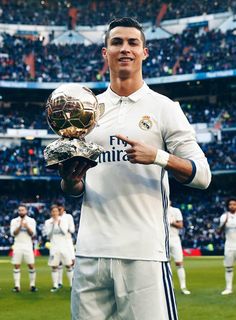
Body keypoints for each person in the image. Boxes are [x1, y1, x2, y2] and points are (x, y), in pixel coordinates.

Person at [59, 17, 211, 320]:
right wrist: (70, 179)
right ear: (105, 53)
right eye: (116, 42)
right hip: (90, 254)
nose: (124, 48)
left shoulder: (165, 108)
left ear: (145, 52)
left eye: (132, 43)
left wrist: (158, 156)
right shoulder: (85, 112)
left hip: (143, 255)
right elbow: (74, 190)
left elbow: (203, 175)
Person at [44, 205, 74, 292]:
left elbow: (65, 232)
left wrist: (59, 224)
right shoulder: (48, 222)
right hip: (54, 247)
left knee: (68, 265)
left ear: (58, 212)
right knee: (54, 266)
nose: (55, 213)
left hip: (64, 246)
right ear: (51, 213)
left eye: (56, 211)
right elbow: (48, 235)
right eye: (53, 211)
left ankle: (72, 285)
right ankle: (55, 285)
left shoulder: (63, 220)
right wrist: (53, 225)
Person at [10, 204, 37, 292]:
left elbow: (32, 234)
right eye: (20, 210)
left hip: (28, 245)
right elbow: (13, 233)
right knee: (16, 265)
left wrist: (26, 226)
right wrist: (20, 226)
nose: (21, 212)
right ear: (18, 211)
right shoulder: (14, 221)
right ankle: (17, 286)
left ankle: (32, 285)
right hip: (17, 245)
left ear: (26, 211)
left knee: (31, 265)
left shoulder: (31, 221)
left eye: (23, 210)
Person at [168, 204, 190, 295]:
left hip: (174, 239)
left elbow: (180, 225)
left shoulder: (175, 210)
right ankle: (169, 288)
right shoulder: (158, 209)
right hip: (162, 240)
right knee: (165, 265)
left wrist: (171, 222)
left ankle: (183, 287)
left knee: (179, 263)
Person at [218, 197, 236, 295]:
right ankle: (228, 288)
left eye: (234, 204)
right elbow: (218, 232)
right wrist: (224, 223)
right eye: (230, 204)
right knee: (229, 267)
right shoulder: (224, 216)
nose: (232, 206)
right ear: (228, 206)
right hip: (229, 245)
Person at [56, 199, 75, 289]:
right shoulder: (54, 217)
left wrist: (63, 227)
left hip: (67, 241)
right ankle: (59, 283)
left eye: (60, 209)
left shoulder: (68, 217)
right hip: (58, 242)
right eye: (58, 209)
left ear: (63, 208)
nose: (59, 210)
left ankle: (73, 283)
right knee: (58, 262)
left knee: (71, 262)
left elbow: (72, 230)